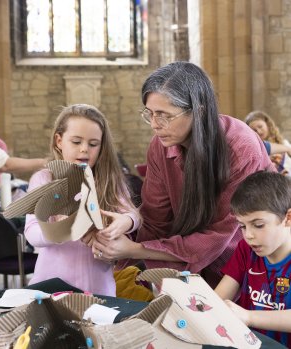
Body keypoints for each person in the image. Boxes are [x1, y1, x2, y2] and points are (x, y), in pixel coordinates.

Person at [91, 61, 275, 288]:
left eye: (164, 115)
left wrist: (135, 249)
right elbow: (155, 219)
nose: (155, 125)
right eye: (149, 114)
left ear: (198, 111)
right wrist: (117, 241)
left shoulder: (240, 147)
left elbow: (218, 237)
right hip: (187, 264)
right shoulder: (159, 146)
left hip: (249, 263)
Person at [24, 104, 141, 296]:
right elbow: (32, 233)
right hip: (50, 290)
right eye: (76, 142)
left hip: (99, 291)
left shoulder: (110, 180)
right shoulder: (44, 179)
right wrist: (62, 230)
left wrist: (125, 222)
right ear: (59, 141)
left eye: (93, 144)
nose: (85, 150)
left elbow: (133, 215)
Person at [215, 171, 291, 347]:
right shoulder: (245, 249)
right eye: (242, 226)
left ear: (287, 218)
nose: (248, 235)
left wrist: (249, 317)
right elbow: (218, 299)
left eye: (258, 225)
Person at [246, 111, 291, 175]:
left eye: (260, 126)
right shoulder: (253, 149)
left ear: (268, 125)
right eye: (254, 130)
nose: (258, 131)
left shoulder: (284, 143)